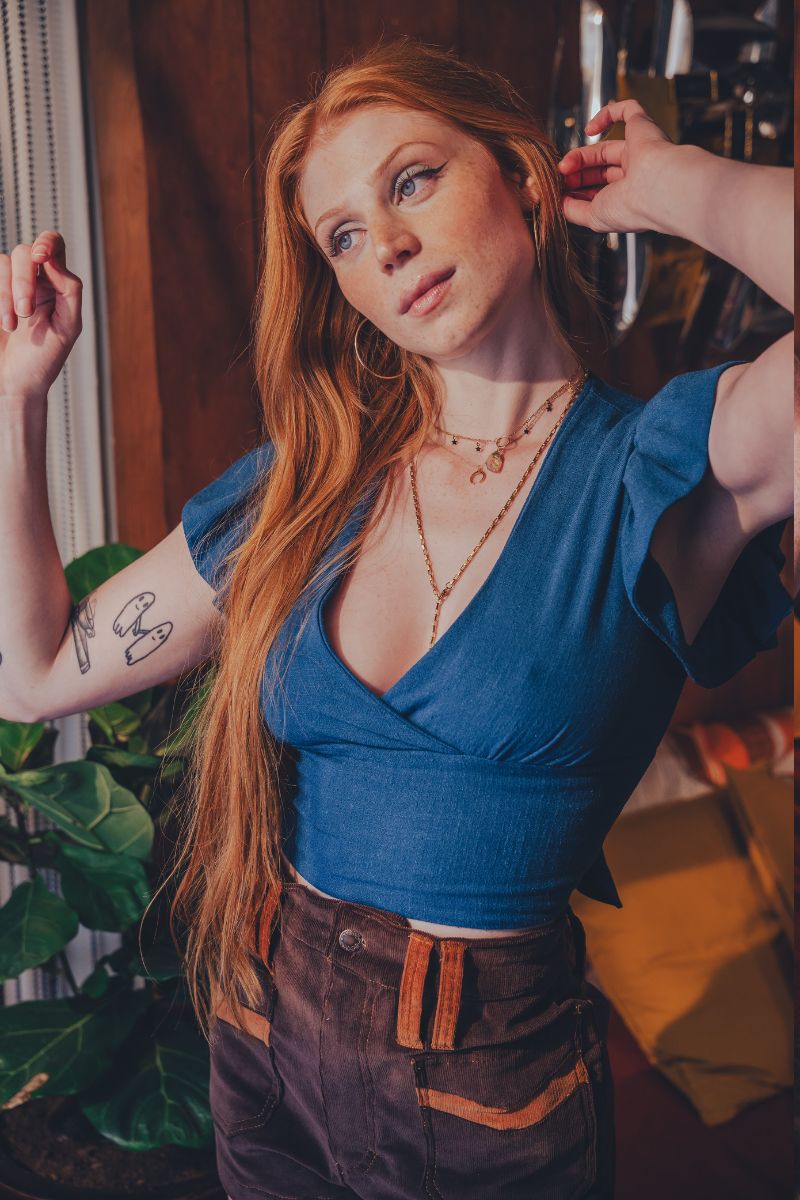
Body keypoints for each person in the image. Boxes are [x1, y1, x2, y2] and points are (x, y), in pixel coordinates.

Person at [0, 36, 792, 1200]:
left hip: (484, 1093)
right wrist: (19, 399)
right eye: (345, 237)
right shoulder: (302, 491)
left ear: (520, 177)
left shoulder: (658, 476)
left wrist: (664, 183)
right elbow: (32, 674)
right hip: (261, 1033)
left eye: (411, 180)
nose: (392, 246)